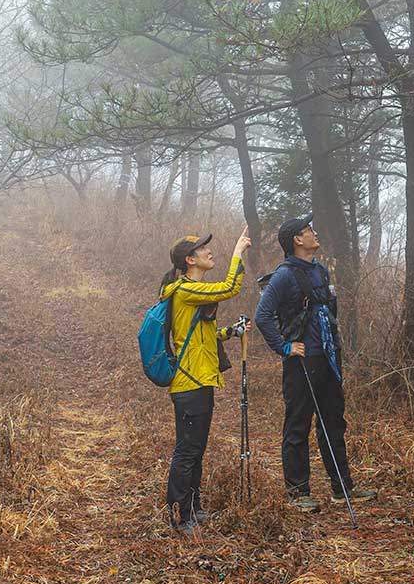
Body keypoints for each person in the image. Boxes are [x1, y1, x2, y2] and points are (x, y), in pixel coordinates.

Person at [255, 214, 376, 511]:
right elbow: (262, 316)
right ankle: (298, 493)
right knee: (298, 424)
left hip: (328, 358)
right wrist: (284, 347)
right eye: (309, 229)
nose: (314, 232)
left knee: (333, 422)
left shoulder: (320, 271)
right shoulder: (283, 275)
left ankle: (342, 488)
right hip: (301, 362)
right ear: (297, 239)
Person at [160, 226, 251, 535]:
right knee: (186, 451)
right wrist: (238, 253)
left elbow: (203, 336)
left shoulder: (192, 294)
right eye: (202, 249)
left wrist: (231, 332)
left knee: (196, 450)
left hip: (201, 380)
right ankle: (179, 515)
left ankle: (194, 508)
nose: (209, 251)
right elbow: (229, 288)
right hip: (189, 383)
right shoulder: (185, 290)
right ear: (189, 260)